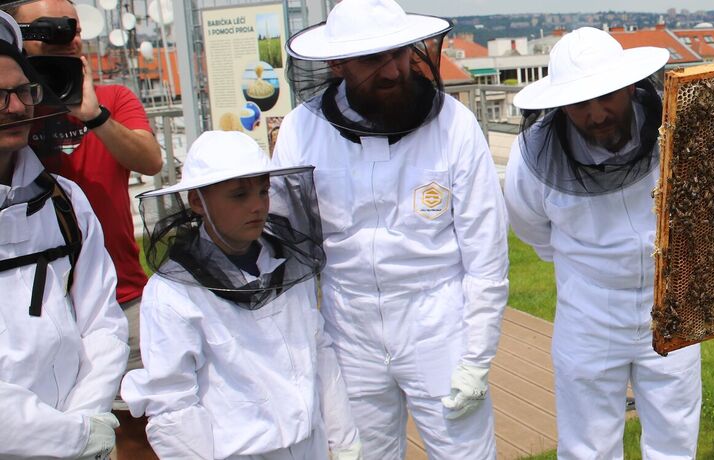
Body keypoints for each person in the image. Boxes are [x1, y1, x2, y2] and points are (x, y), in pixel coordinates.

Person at [272, 0, 509, 457]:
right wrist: (310, 352)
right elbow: (291, 251)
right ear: (337, 64)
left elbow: (486, 257)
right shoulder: (302, 131)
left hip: (439, 322)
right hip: (347, 323)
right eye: (371, 59)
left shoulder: (455, 126)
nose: (392, 71)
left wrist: (477, 356)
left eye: (398, 53)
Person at [505, 27, 702, 459]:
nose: (596, 115)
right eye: (579, 103)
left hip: (672, 300)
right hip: (588, 311)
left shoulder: (675, 127)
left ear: (630, 86)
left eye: (606, 97)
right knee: (587, 446)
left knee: (675, 438)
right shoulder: (532, 156)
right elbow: (531, 228)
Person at [120, 130, 362, 459]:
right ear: (197, 201)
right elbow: (174, 404)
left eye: (263, 192)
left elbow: (318, 350)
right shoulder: (172, 295)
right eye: (238, 195)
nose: (257, 206)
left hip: (311, 446)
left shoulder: (289, 266)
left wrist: (345, 440)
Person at [7, 1, 163, 455]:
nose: (71, 38)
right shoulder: (16, 105)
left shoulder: (112, 99)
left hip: (121, 294)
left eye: (74, 28)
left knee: (135, 430)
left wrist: (90, 114)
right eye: (54, 30)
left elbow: (150, 161)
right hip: (35, 303)